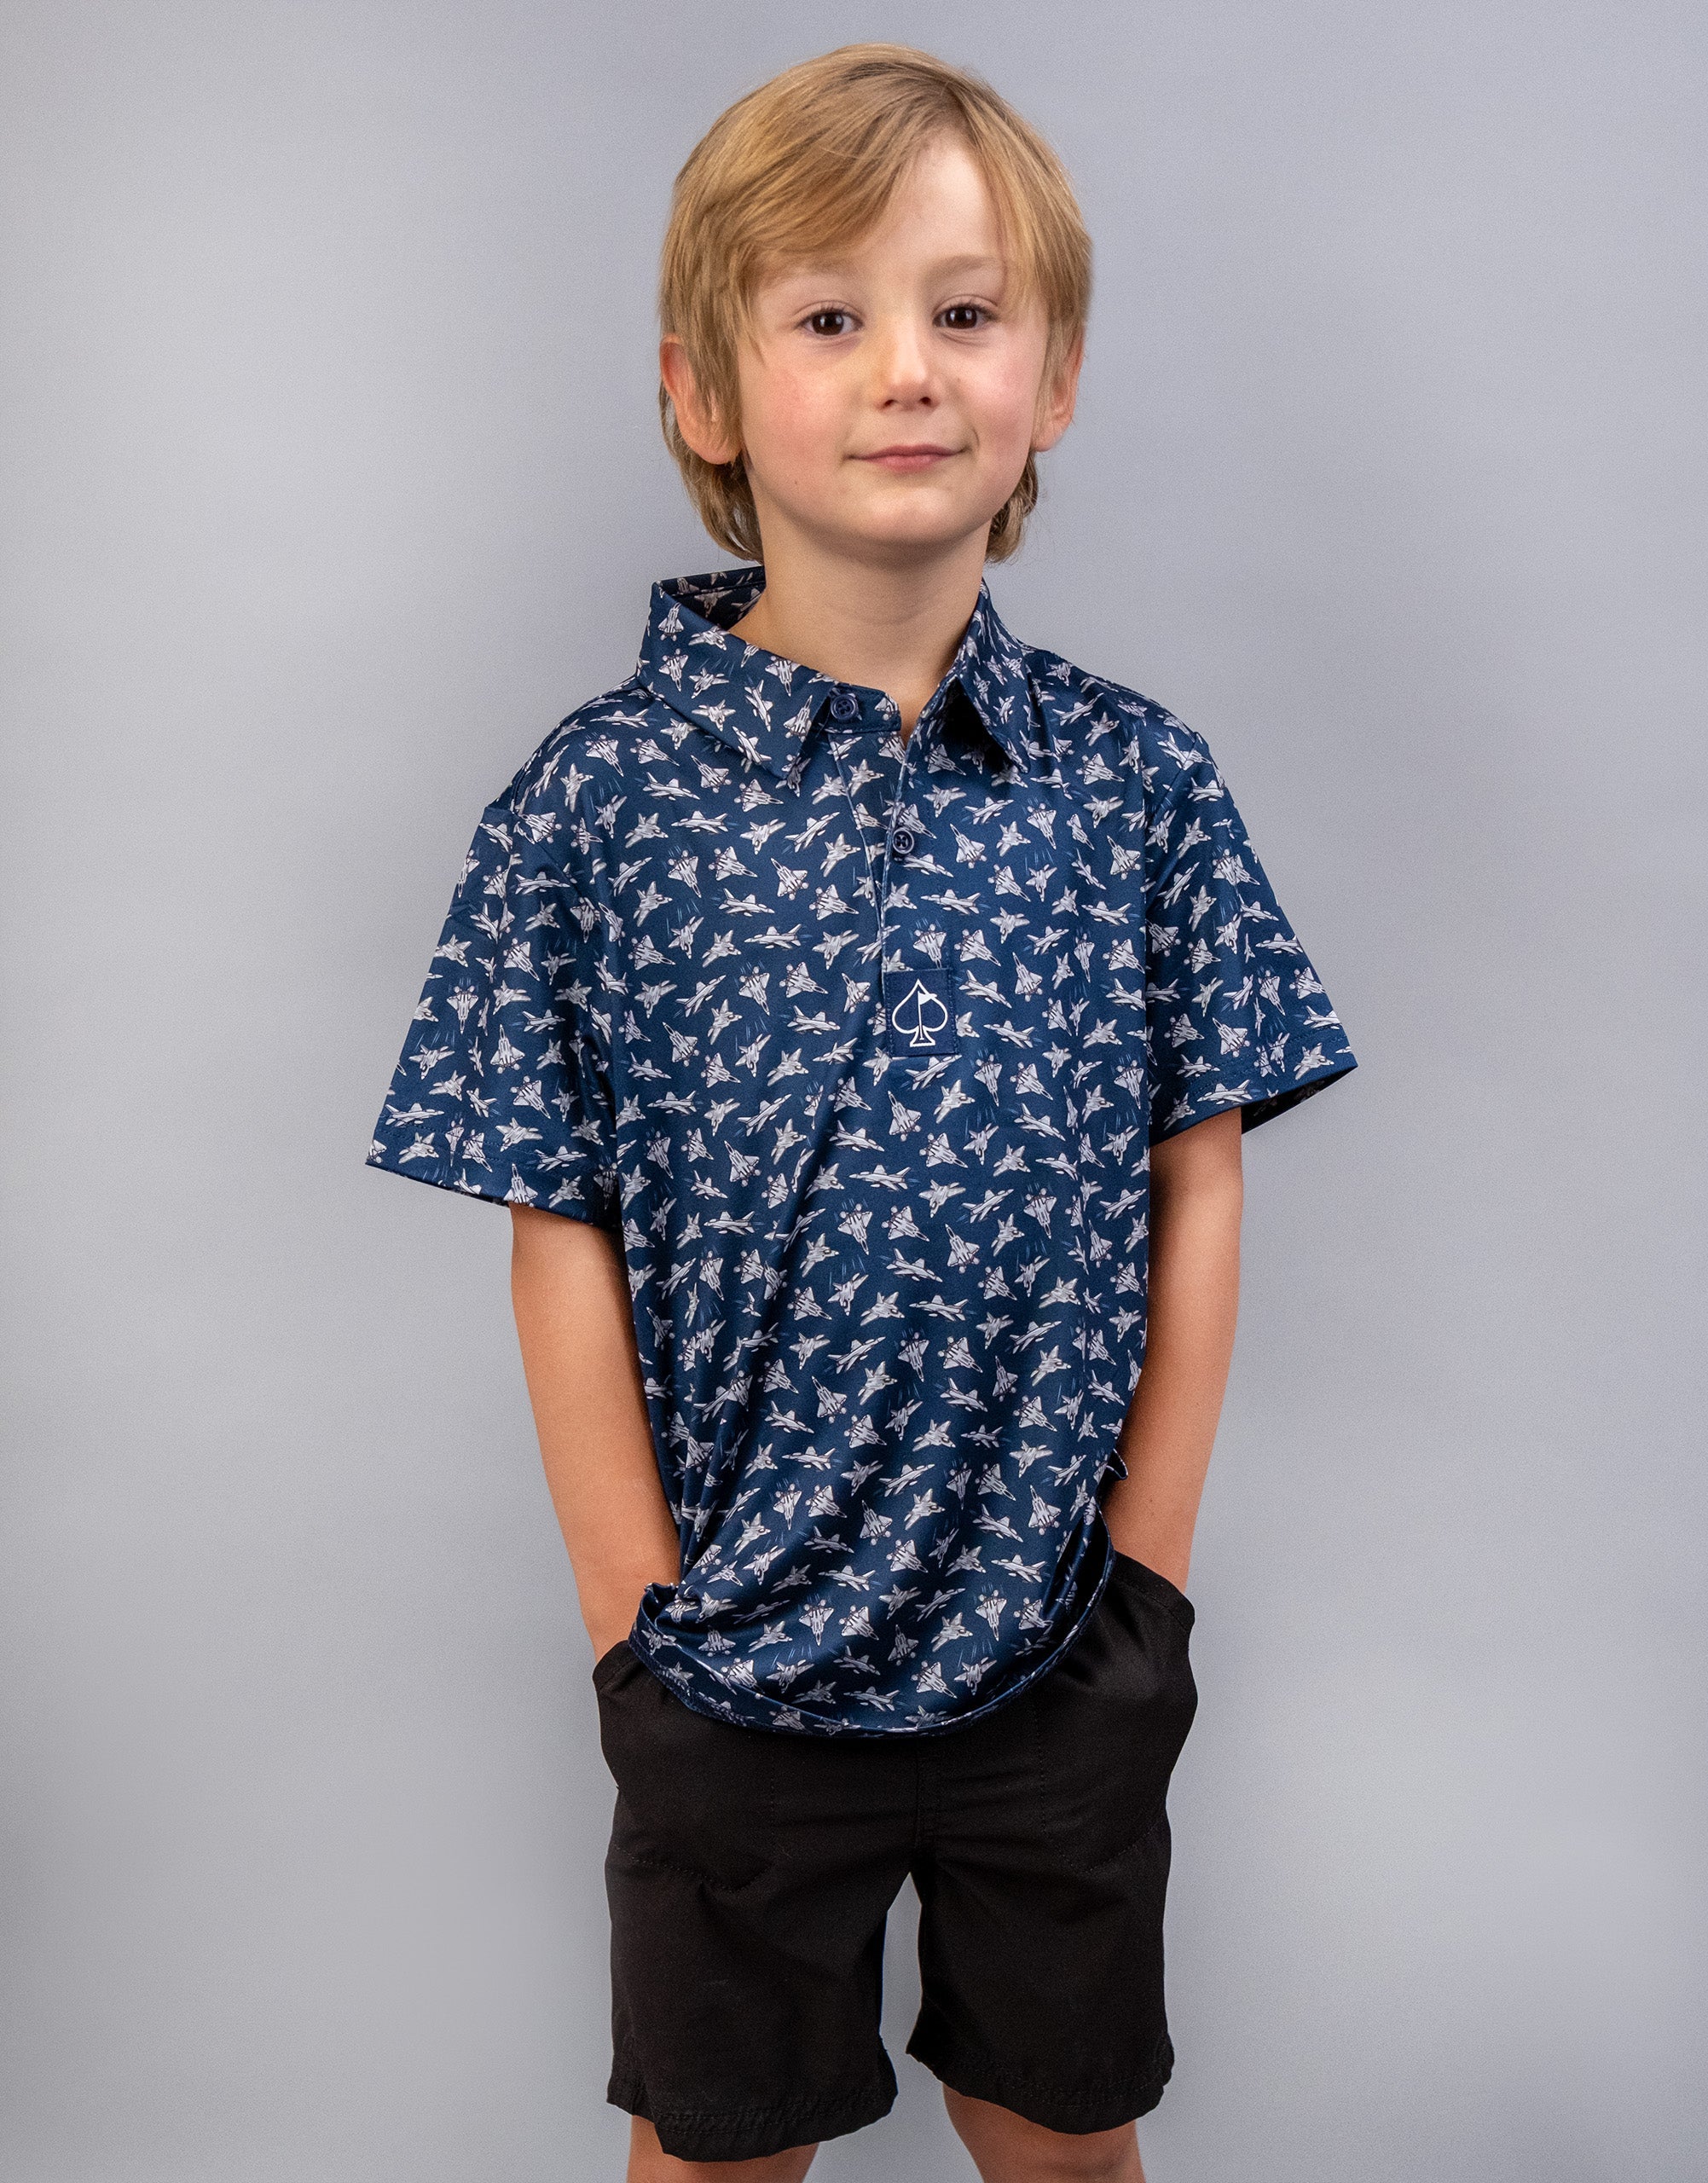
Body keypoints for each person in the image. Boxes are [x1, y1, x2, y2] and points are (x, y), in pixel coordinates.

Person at [368, 42, 1355, 2183]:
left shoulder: (1137, 787)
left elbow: (1202, 1168)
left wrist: (1146, 1590)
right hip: (729, 1676)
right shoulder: (593, 810)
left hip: (1053, 1664)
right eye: (830, 316)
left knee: (1062, 2137)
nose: (906, 368)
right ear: (706, 396)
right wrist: (637, 1625)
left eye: (965, 311)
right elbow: (559, 1213)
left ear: (1053, 381)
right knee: (719, 2155)